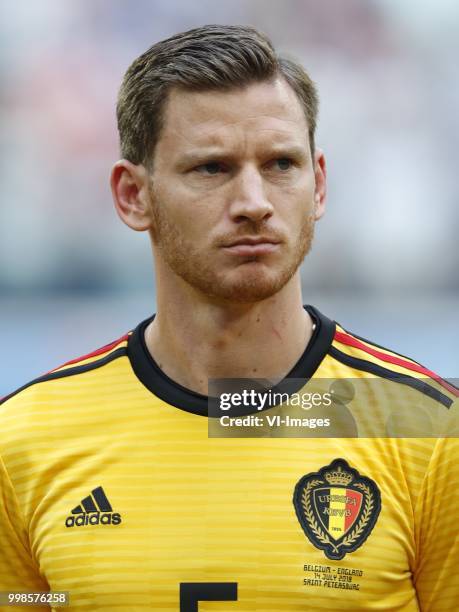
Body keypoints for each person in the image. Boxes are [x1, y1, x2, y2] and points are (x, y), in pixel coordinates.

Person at [0, 24, 458, 612]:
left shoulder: (429, 432)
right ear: (132, 196)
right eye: (212, 168)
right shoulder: (23, 443)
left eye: (280, 164)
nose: (253, 203)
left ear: (318, 185)